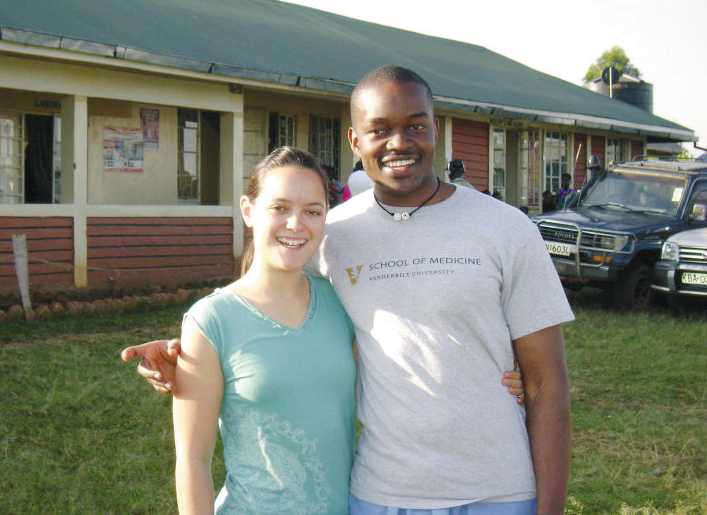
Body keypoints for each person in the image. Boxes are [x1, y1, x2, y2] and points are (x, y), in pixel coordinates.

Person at [124, 65, 570, 515]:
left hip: (500, 492)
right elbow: (267, 294)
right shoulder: (331, 234)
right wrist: (190, 352)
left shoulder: (506, 227)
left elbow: (547, 382)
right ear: (356, 141)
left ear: (435, 130)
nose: (399, 143)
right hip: (381, 494)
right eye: (380, 130)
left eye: (415, 126)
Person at [172, 147, 356, 513]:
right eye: (280, 207)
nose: (295, 224)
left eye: (312, 211)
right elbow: (193, 459)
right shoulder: (211, 320)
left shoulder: (342, 303)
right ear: (248, 210)